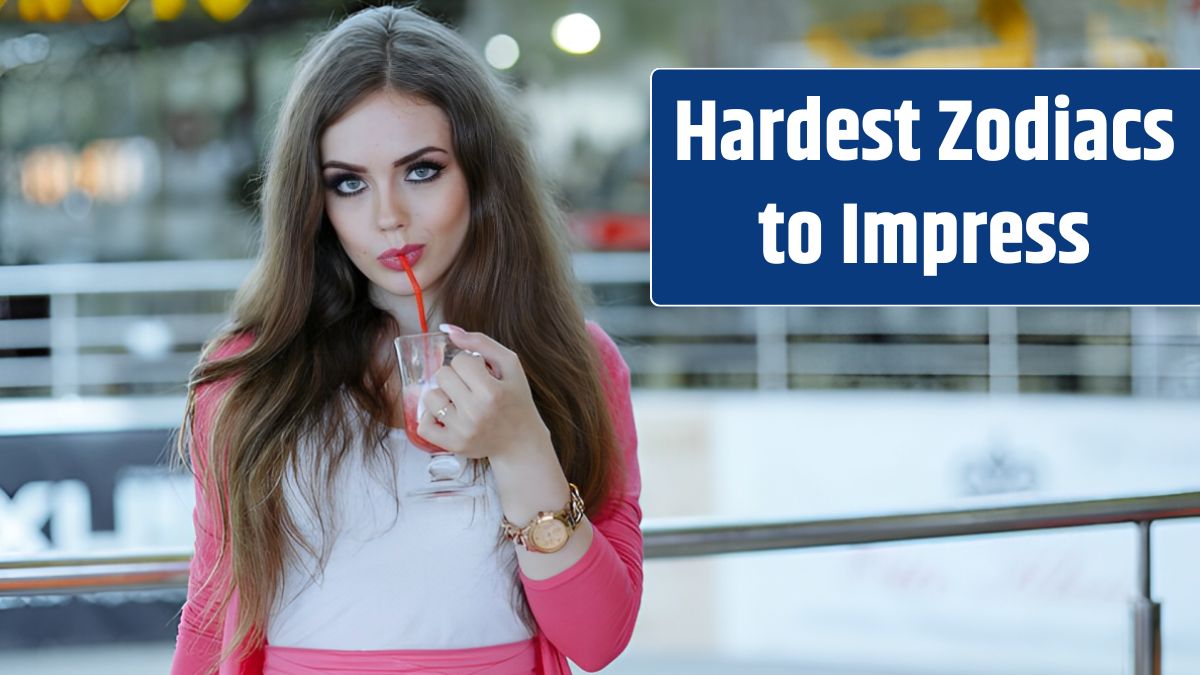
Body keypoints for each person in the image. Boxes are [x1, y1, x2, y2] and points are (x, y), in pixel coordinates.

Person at [169, 6, 643, 675]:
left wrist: (520, 444)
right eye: (349, 182)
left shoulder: (580, 363)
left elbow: (597, 638)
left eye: (421, 170)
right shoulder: (251, 373)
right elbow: (211, 613)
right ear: (315, 199)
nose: (387, 215)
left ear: (482, 176)